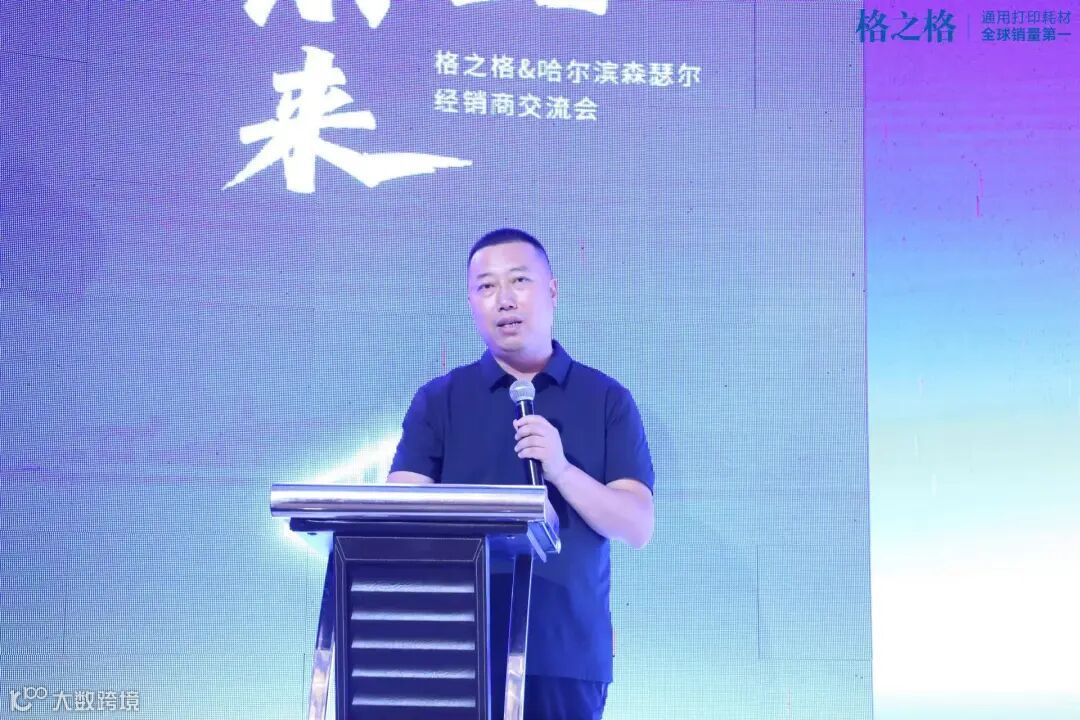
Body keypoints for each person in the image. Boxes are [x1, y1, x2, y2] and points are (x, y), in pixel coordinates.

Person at [388, 228, 655, 720]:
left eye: (518, 281)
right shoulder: (439, 400)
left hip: (566, 656)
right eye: (486, 287)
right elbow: (399, 516)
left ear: (552, 290)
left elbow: (637, 526)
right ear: (471, 303)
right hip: (455, 652)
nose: (504, 299)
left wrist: (562, 469)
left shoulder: (605, 399)